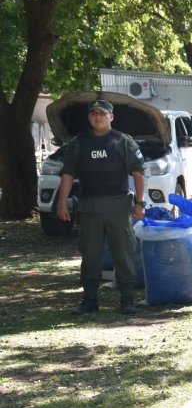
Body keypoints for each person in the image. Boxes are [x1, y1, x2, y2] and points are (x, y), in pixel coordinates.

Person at [56, 98, 146, 315]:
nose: (98, 117)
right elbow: (68, 174)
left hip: (117, 208)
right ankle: (90, 300)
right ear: (89, 117)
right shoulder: (79, 143)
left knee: (123, 254)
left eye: (102, 114)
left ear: (111, 117)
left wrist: (140, 203)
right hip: (89, 210)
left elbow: (138, 173)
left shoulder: (123, 142)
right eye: (93, 114)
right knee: (90, 256)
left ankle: (127, 300)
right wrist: (61, 203)